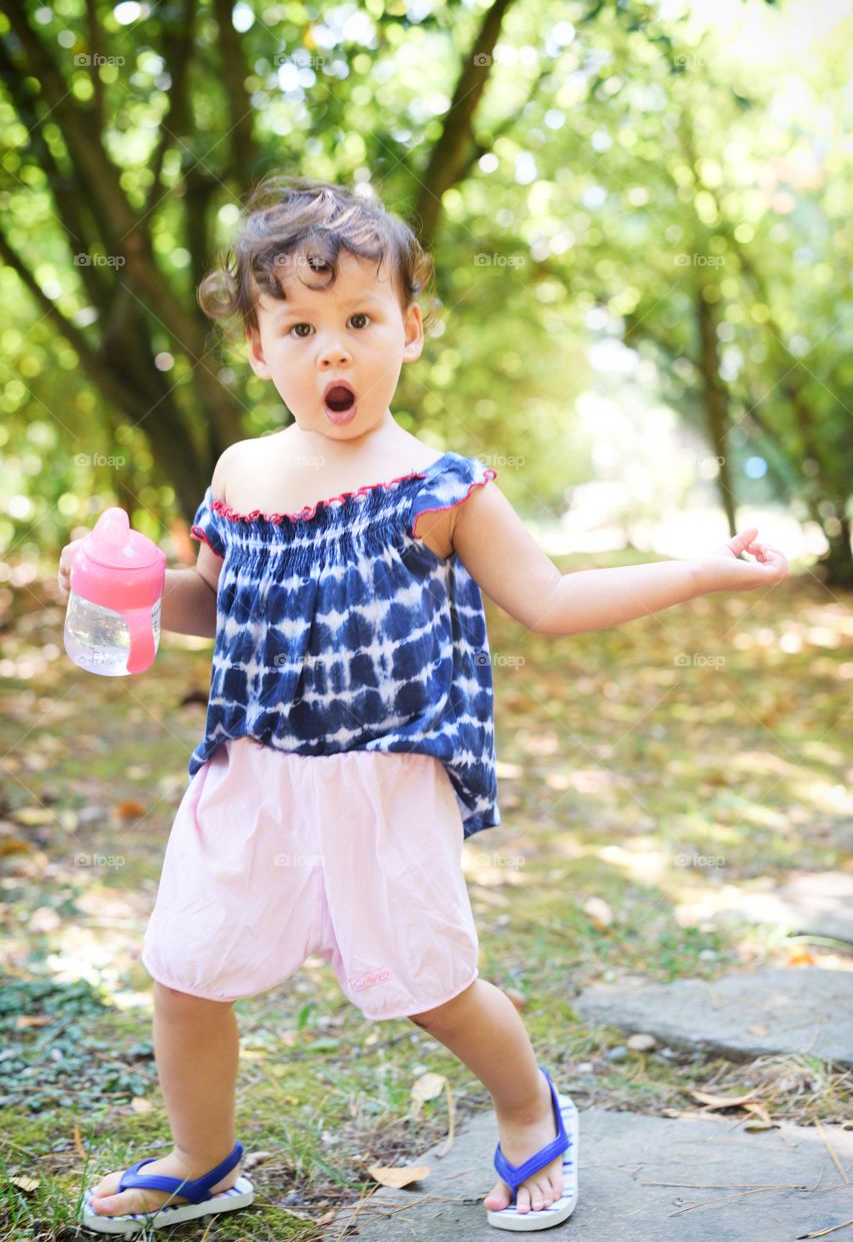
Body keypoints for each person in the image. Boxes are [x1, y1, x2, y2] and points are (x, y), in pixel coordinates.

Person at [58, 174, 789, 1235]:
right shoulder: (241, 473)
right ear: (259, 348)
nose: (333, 350)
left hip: (388, 776)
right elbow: (219, 603)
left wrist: (697, 569)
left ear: (410, 325)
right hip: (249, 769)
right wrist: (110, 584)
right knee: (185, 967)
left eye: (359, 318)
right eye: (299, 327)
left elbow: (552, 598)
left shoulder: (440, 486)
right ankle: (203, 1153)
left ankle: (531, 1108)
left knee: (428, 982)